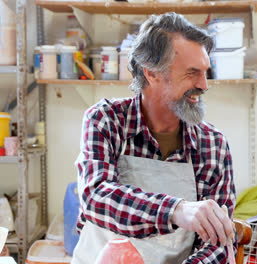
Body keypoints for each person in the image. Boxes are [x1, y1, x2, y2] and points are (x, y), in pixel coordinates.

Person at [73, 12, 236, 264]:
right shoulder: (106, 120)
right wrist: (176, 210)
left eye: (206, 72)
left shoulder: (212, 144)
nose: (204, 85)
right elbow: (97, 196)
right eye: (192, 73)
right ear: (152, 73)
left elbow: (219, 244)